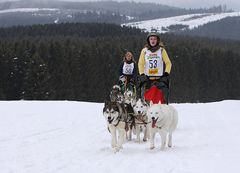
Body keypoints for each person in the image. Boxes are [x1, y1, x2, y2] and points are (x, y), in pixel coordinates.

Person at [138, 32, 172, 104]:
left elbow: (168, 63)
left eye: (154, 39)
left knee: (164, 96)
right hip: (147, 78)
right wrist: (142, 74)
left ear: (157, 40)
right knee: (143, 98)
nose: (153, 41)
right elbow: (140, 64)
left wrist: (166, 74)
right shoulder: (144, 51)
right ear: (148, 40)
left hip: (160, 79)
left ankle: (165, 108)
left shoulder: (162, 50)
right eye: (151, 39)